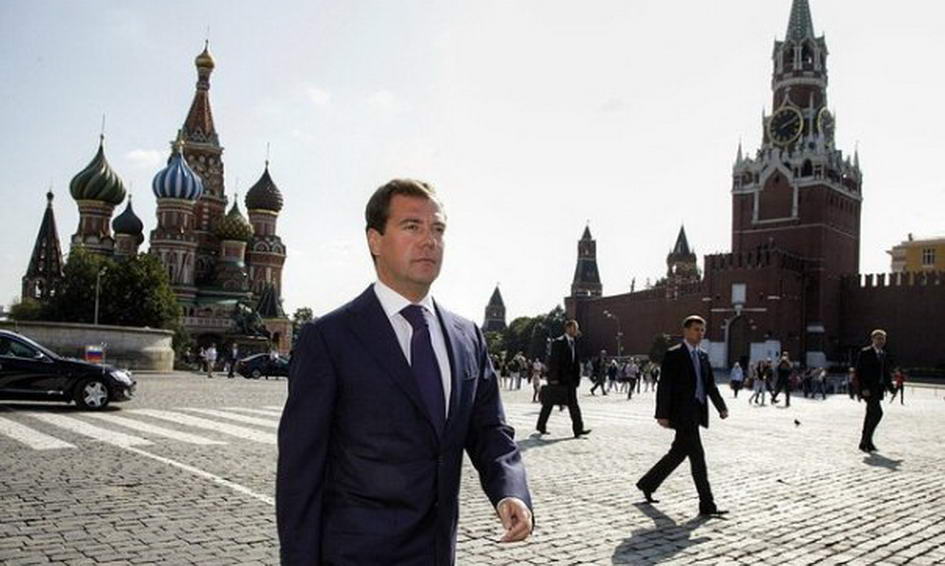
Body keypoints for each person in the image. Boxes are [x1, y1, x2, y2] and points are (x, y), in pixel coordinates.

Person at [276, 179, 532, 565]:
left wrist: (509, 490)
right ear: (375, 240)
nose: (429, 240)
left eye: (438, 229)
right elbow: (300, 474)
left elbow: (489, 431)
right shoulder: (329, 339)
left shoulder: (467, 337)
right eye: (412, 226)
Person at [636, 315, 729, 516]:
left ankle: (648, 483)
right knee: (698, 458)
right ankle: (707, 505)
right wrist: (662, 414)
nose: (700, 333)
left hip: (697, 412)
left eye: (702, 330)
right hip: (681, 414)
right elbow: (665, 386)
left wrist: (721, 407)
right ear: (686, 331)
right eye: (696, 329)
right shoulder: (674, 354)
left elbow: (710, 385)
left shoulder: (703, 356)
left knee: (677, 454)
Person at [536, 319, 591, 439]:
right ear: (568, 328)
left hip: (571, 380)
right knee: (549, 403)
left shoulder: (574, 342)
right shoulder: (558, 342)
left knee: (573, 404)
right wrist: (554, 378)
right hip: (559, 379)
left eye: (577, 328)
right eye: (574, 328)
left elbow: (575, 362)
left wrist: (577, 379)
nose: (576, 331)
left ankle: (578, 429)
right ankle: (541, 425)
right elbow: (554, 361)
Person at [856, 329, 895, 453]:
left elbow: (885, 374)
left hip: (878, 390)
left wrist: (892, 388)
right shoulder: (865, 352)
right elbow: (859, 372)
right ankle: (867, 440)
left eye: (883, 339)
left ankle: (864, 442)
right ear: (872, 339)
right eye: (878, 338)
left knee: (870, 415)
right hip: (868, 390)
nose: (881, 341)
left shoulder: (883, 354)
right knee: (878, 413)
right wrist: (863, 388)